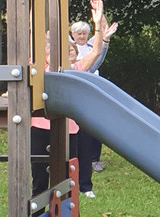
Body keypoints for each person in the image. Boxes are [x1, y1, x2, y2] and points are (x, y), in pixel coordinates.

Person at [32, 0, 108, 196]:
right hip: (40, 126)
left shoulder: (75, 69)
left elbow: (96, 52)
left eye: (68, 50)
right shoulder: (40, 66)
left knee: (68, 179)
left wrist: (98, 24)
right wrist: (34, 9)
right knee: (39, 180)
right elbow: (33, 38)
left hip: (69, 128)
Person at [69, 16, 118, 196]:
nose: (81, 36)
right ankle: (67, 185)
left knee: (86, 144)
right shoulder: (59, 64)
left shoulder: (83, 65)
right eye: (78, 33)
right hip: (66, 112)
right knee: (67, 149)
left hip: (86, 105)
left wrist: (101, 23)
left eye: (84, 33)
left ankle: (85, 186)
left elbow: (97, 57)